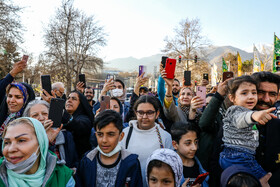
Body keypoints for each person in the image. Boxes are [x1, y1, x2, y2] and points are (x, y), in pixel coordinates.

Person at [219, 75, 275, 180]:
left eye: (254, 92)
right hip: (239, 156)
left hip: (238, 156)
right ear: (232, 98)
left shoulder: (247, 111)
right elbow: (241, 119)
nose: (250, 97)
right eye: (244, 93)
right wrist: (254, 116)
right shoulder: (234, 110)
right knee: (265, 179)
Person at [75, 110, 143, 187]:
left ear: (121, 136)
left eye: (110, 134)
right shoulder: (87, 161)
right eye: (100, 134)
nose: (104, 140)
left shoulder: (131, 163)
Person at [0, 117, 74, 186]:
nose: (11, 149)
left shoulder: (62, 177)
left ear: (41, 143)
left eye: (21, 140)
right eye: (7, 142)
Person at [120, 95, 173, 187]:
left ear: (157, 114)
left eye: (149, 113)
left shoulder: (165, 136)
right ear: (136, 113)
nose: (144, 116)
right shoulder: (125, 134)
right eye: (140, 112)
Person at [22, 100, 78, 169]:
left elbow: (74, 163)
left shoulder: (66, 136)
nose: (41, 118)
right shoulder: (25, 140)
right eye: (35, 115)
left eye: (45, 114)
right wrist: (46, 141)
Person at [170, 121, 209, 187]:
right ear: (175, 144)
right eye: (188, 143)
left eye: (196, 142)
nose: (194, 148)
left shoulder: (199, 165)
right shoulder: (169, 168)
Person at [63, 91, 94, 159]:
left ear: (81, 103)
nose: (69, 100)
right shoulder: (62, 118)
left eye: (74, 99)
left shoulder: (85, 119)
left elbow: (79, 126)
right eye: (68, 98)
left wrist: (63, 114)